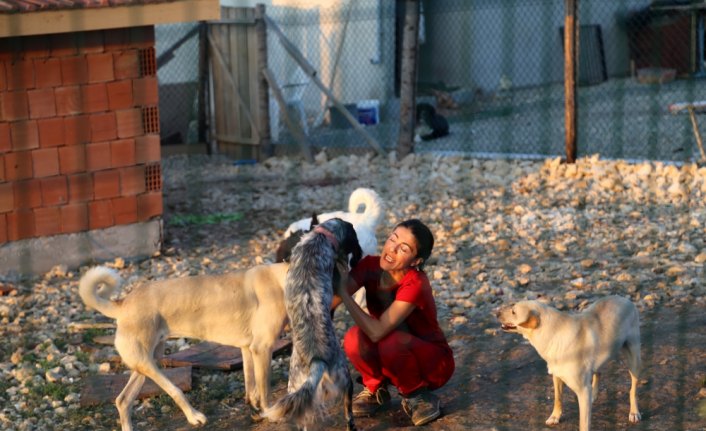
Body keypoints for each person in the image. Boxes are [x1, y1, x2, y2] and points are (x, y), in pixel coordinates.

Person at [333, 219, 455, 426]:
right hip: (391, 353)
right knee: (353, 337)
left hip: (433, 363)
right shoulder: (370, 266)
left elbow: (376, 332)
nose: (392, 249)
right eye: (392, 239)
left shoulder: (416, 283)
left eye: (404, 249)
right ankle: (375, 389)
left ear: (416, 261)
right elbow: (330, 300)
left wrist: (345, 294)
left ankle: (417, 395)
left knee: (390, 341)